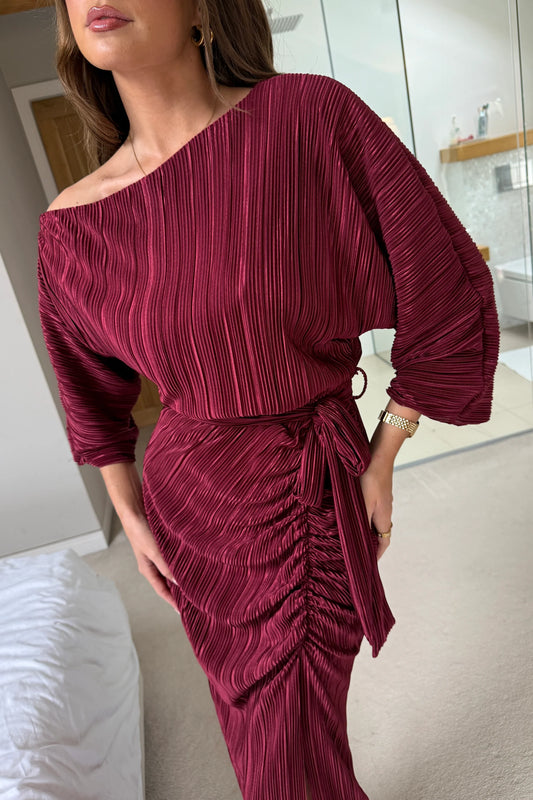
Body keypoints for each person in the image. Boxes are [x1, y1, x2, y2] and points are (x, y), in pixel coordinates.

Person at [36, 1, 499, 798]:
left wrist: (387, 445)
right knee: (255, 729)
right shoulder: (71, 227)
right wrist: (133, 516)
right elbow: (88, 394)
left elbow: (443, 280)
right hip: (187, 500)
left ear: (200, 9)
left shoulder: (306, 118)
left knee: (284, 752)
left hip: (302, 484)